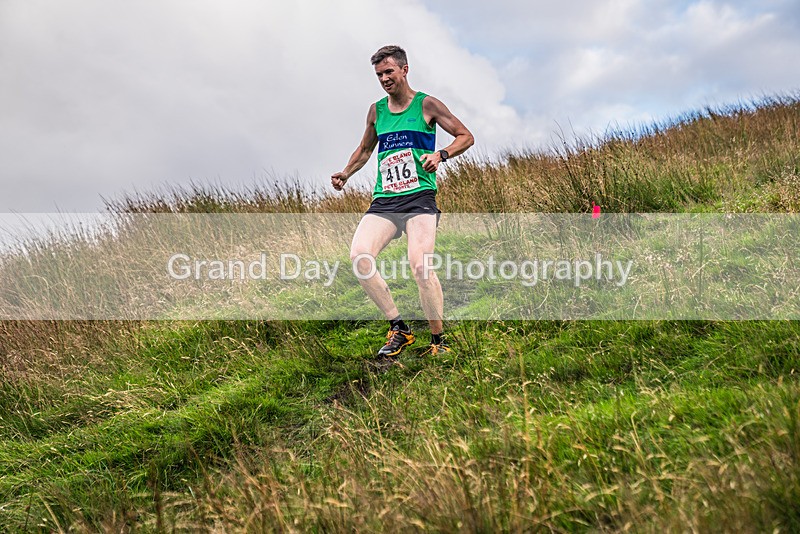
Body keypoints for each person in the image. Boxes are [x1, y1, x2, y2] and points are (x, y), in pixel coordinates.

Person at [331, 45, 474, 359]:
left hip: (419, 197)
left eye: (389, 72)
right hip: (385, 200)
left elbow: (465, 136)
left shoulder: (427, 105)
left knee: (421, 266)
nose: (384, 79)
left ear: (404, 70)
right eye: (379, 74)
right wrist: (346, 172)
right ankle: (399, 328)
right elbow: (365, 150)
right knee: (359, 256)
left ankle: (439, 340)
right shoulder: (376, 111)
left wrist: (441, 154)